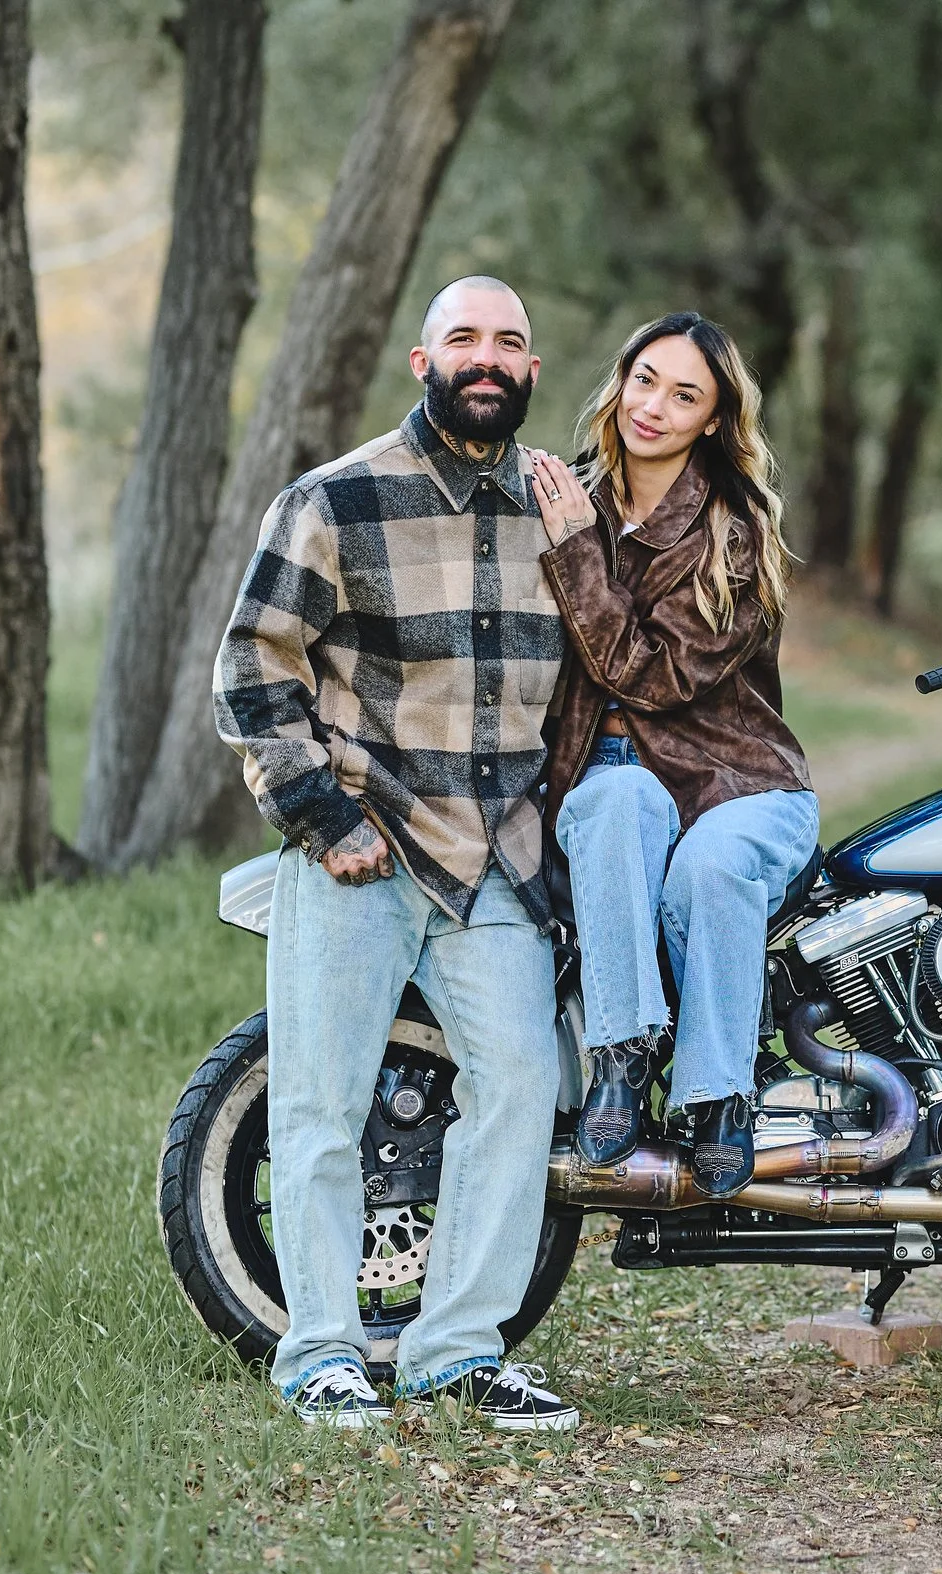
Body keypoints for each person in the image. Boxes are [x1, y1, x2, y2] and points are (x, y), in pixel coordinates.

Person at [214, 276, 579, 1433]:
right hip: (360, 850)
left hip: (499, 861)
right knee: (321, 1105)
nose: (488, 357)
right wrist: (323, 816)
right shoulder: (334, 499)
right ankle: (320, 1350)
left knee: (521, 1091)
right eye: (464, 338)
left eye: (509, 343)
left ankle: (455, 1350)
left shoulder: (561, 513)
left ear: (530, 372)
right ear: (422, 363)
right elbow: (251, 668)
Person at [529, 312, 816, 1197]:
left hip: (739, 785)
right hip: (609, 783)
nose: (654, 406)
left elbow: (649, 677)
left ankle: (717, 1094)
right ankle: (622, 1052)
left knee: (713, 866)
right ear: (619, 381)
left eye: (685, 394)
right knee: (617, 804)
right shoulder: (565, 494)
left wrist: (577, 554)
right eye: (645, 378)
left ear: (715, 420)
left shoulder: (735, 533)